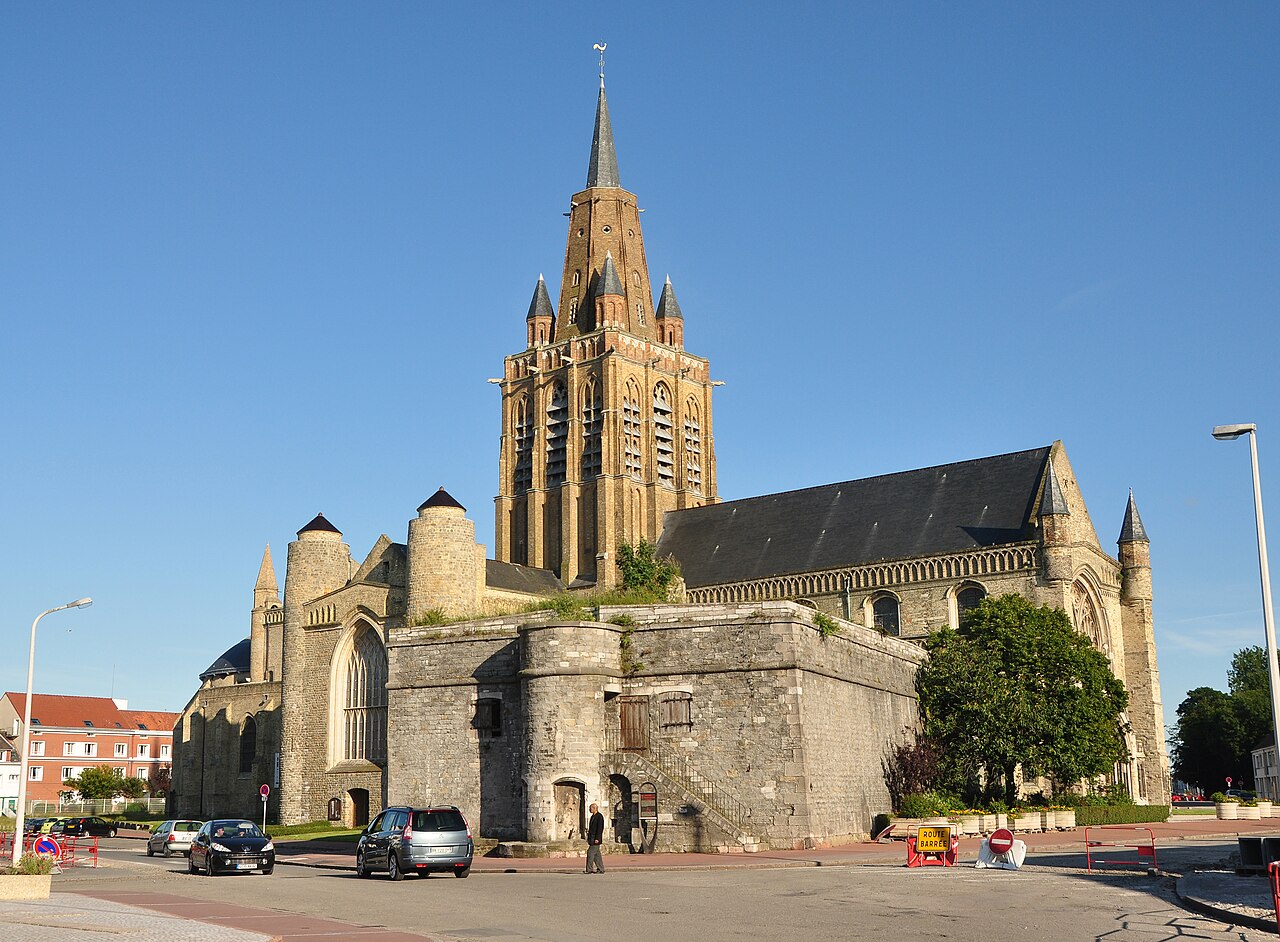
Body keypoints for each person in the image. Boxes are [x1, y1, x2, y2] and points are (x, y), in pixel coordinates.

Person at [584, 802, 605, 874]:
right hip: (592, 838)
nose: (589, 809)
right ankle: (601, 869)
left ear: (594, 808)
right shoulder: (593, 816)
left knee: (590, 853)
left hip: (596, 839)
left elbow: (600, 828)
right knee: (597, 855)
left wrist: (597, 839)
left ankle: (589, 869)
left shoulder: (599, 816)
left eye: (590, 808)